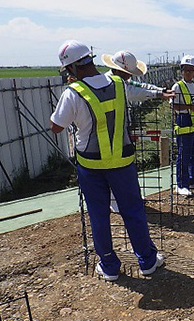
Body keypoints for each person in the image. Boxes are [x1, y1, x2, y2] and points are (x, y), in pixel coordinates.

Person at [50, 40, 164, 281]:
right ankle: (147, 261)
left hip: (91, 167)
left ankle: (110, 267)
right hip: (122, 164)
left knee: (99, 215)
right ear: (90, 60)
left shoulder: (72, 94)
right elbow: (140, 93)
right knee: (133, 211)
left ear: (72, 69)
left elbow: (56, 127)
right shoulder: (119, 84)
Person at [101, 50, 174, 212]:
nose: (130, 76)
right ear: (119, 70)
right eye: (129, 73)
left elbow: (138, 85)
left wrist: (160, 91)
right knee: (113, 166)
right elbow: (133, 93)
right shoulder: (109, 82)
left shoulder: (122, 80)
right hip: (107, 130)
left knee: (126, 164)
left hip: (120, 127)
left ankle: (128, 196)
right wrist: (157, 93)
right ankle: (114, 201)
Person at [171, 55, 194, 197]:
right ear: (181, 71)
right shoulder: (178, 87)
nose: (188, 73)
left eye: (191, 70)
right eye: (186, 70)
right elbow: (173, 106)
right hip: (184, 121)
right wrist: (189, 106)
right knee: (184, 155)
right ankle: (181, 184)